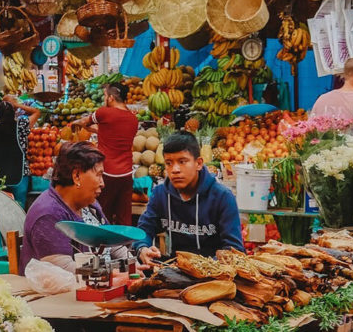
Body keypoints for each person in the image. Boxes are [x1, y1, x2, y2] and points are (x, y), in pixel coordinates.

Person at [134, 132, 244, 266]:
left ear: (198, 163)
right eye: (169, 163)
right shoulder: (160, 194)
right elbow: (144, 230)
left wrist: (204, 267)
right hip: (176, 269)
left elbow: (234, 249)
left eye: (182, 162)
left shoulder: (222, 197)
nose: (175, 169)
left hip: (215, 274)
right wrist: (142, 248)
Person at [18, 142, 129, 274]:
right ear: (76, 176)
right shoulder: (48, 215)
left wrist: (133, 263)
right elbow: (63, 271)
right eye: (98, 175)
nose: (102, 183)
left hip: (102, 285)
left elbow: (111, 244)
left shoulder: (90, 205)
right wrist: (116, 272)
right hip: (65, 292)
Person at [72, 82, 139, 226]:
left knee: (103, 214)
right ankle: (125, 247)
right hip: (126, 174)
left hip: (106, 173)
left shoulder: (104, 112)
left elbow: (85, 122)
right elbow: (115, 134)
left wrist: (76, 123)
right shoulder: (133, 119)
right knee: (124, 218)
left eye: (105, 96)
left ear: (111, 98)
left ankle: (104, 247)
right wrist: (99, 131)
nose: (104, 99)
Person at [0, 95, 40, 208]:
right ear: (14, 113)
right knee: (19, 209)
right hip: (20, 174)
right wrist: (16, 105)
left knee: (2, 210)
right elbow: (37, 112)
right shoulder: (21, 125)